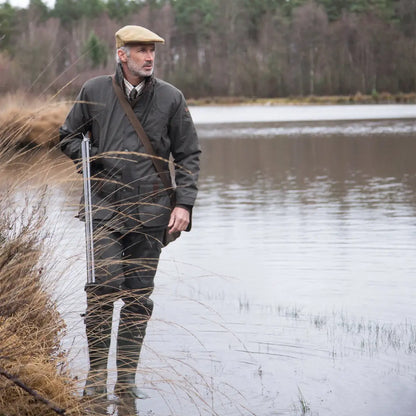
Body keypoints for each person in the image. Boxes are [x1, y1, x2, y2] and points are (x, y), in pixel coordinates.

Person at [59, 25, 200, 400]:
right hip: (104, 207)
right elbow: (68, 135)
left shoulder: (172, 98)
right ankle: (95, 378)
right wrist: (91, 160)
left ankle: (125, 382)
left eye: (152, 51)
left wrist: (184, 203)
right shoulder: (94, 90)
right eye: (140, 50)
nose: (149, 57)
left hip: (153, 211)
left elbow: (187, 155)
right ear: (121, 55)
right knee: (102, 290)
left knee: (138, 297)